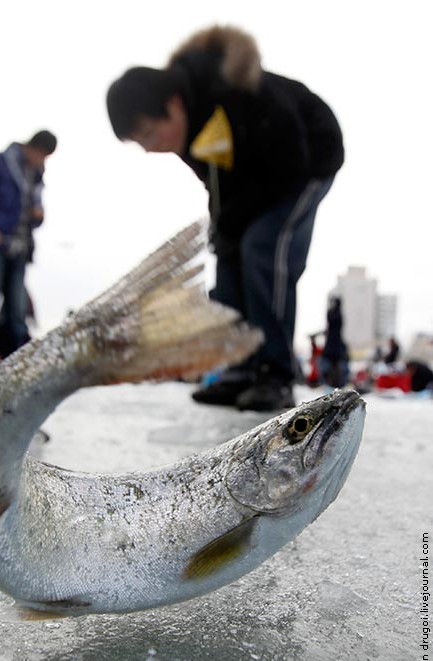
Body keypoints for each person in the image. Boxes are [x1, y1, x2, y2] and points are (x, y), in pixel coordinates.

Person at [106, 25, 344, 411]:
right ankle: (239, 368)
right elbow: (219, 189)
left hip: (308, 160)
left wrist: (238, 219)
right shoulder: (189, 134)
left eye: (150, 133)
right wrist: (225, 225)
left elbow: (288, 163)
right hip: (258, 183)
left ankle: (276, 372)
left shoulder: (235, 89)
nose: (151, 148)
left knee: (263, 247)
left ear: (174, 103)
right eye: (141, 143)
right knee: (228, 256)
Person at [0, 130, 57, 382]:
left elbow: (29, 210)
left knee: (16, 310)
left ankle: (9, 371)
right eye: (42, 155)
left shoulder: (36, 176)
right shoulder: (0, 163)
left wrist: (39, 215)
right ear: (32, 147)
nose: (43, 161)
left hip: (19, 249)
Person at [319, 297, 349, 388]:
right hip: (332, 345)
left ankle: (338, 384)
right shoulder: (334, 314)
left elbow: (332, 319)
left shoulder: (337, 314)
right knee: (325, 365)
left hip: (335, 346)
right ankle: (327, 384)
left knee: (341, 368)